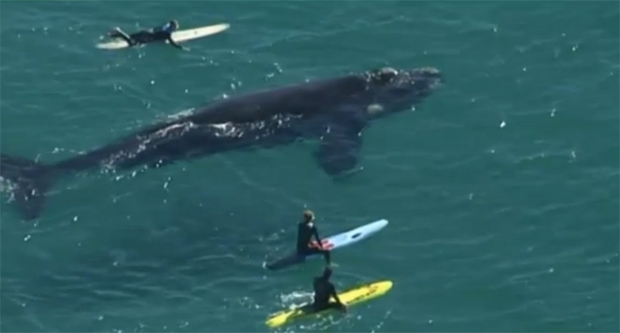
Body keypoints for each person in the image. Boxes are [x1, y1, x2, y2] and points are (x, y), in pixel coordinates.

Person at [108, 20, 186, 50]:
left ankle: (114, 35)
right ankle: (119, 32)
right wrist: (182, 48)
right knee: (133, 43)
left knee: (131, 37)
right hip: (147, 37)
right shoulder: (167, 34)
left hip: (145, 32)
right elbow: (173, 43)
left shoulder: (164, 26)